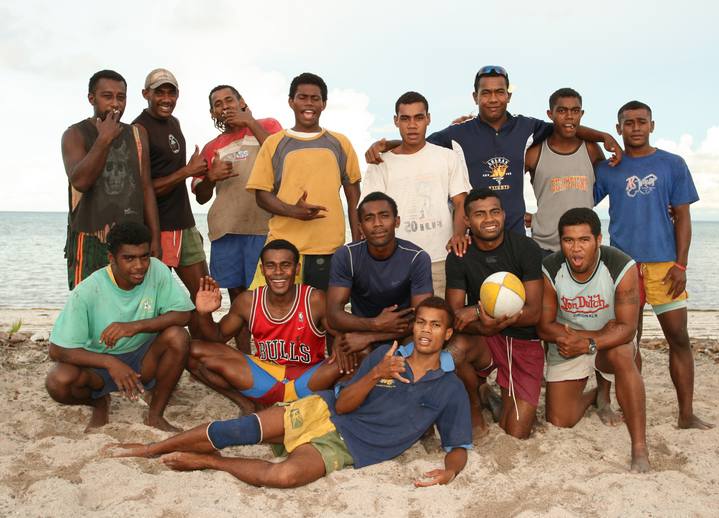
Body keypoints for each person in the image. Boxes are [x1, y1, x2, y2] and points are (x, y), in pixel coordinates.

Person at [107, 297, 472, 489]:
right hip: (323, 411)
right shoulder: (385, 356)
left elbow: (457, 447)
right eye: (421, 322)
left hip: (350, 447)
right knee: (241, 429)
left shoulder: (450, 388)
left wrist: (450, 473)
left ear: (448, 334)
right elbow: (344, 404)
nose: (426, 331)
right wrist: (376, 373)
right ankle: (151, 449)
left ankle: (209, 461)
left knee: (283, 478)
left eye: (435, 325)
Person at [365, 66, 622, 235]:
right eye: (485, 93)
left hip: (514, 234)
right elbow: (420, 142)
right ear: (475, 97)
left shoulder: (526, 127)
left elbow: (565, 126)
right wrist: (386, 145)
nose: (493, 99)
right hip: (474, 237)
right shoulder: (458, 133)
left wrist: (603, 137)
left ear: (508, 96)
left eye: (500, 92)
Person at [594, 101, 712, 430]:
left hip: (664, 266)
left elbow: (683, 217)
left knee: (679, 338)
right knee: (625, 340)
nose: (635, 127)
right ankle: (623, 406)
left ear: (652, 125)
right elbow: (581, 201)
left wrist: (681, 265)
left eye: (641, 121)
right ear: (618, 128)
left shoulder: (672, 164)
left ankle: (686, 414)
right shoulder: (609, 168)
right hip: (624, 266)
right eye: (628, 122)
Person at [46, 222, 193, 431]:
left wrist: (134, 326)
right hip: (98, 367)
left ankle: (155, 415)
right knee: (58, 381)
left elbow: (183, 314)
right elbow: (57, 350)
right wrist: (110, 362)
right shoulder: (87, 290)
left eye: (144, 257)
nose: (139, 266)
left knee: (178, 336)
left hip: (143, 359)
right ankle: (99, 402)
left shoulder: (157, 270)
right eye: (129, 258)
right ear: (111, 258)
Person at [538, 208, 650, 472]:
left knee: (623, 354)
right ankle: (595, 396)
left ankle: (639, 447)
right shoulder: (551, 267)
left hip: (608, 345)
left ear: (598, 239)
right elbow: (544, 326)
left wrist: (589, 342)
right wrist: (581, 339)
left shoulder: (621, 265)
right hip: (569, 344)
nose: (576, 248)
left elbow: (628, 329)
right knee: (560, 420)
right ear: (560, 241)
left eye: (584, 240)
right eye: (569, 240)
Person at [186, 240, 343, 415]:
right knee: (190, 350)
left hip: (308, 378)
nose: (278, 272)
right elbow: (217, 337)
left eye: (285, 265)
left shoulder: (315, 299)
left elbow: (342, 335)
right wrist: (204, 314)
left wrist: (340, 346)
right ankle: (246, 403)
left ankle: (330, 399)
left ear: (297, 269)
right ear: (262, 270)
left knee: (358, 354)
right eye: (270, 265)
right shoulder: (248, 301)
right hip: (264, 377)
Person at [246, 72, 361, 291]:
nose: (309, 103)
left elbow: (354, 200)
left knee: (323, 311)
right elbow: (261, 195)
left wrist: (356, 247)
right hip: (281, 248)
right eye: (302, 97)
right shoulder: (274, 143)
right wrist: (294, 211)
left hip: (328, 249)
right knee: (265, 307)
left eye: (315, 98)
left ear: (323, 104)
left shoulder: (340, 143)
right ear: (291, 102)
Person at [445, 189, 544, 439]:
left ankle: (492, 393)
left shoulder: (526, 248)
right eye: (480, 214)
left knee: (516, 431)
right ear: (467, 220)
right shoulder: (459, 255)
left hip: (522, 341)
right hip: (485, 340)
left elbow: (534, 313)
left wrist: (480, 310)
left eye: (494, 212)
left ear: (504, 214)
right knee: (452, 353)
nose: (489, 219)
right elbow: (455, 316)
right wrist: (484, 327)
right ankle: (474, 404)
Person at [193, 84, 283, 352]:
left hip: (264, 227)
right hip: (226, 229)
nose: (225, 106)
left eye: (229, 100)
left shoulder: (267, 125)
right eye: (218, 104)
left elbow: (281, 156)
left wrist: (250, 122)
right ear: (212, 112)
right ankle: (244, 354)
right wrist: (211, 177)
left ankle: (270, 353)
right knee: (237, 297)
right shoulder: (211, 147)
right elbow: (200, 196)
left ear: (241, 101)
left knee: (268, 295)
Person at [360, 91, 471, 296]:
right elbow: (368, 211)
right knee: (398, 315)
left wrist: (458, 234)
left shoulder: (447, 157)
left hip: (440, 258)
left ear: (428, 119)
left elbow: (461, 201)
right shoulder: (380, 163)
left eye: (418, 117)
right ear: (396, 121)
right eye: (405, 118)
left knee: (439, 315)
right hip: (396, 260)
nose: (412, 125)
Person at [61, 69, 160, 289]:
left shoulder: (137, 134)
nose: (115, 104)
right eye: (107, 96)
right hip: (89, 238)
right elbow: (81, 181)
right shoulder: (75, 134)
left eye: (121, 97)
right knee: (88, 300)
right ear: (92, 98)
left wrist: (155, 238)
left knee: (132, 301)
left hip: (132, 242)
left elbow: (146, 188)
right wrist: (104, 138)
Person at [132, 68, 209, 337]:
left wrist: (199, 171)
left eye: (171, 92)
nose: (166, 98)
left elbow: (173, 174)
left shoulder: (174, 122)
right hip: (158, 228)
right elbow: (143, 188)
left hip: (184, 223)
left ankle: (202, 351)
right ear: (146, 94)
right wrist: (187, 171)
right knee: (154, 303)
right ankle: (156, 350)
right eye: (159, 92)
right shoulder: (138, 129)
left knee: (203, 294)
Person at [327, 192, 434, 374]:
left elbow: (423, 319)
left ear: (397, 221)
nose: (377, 223)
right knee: (352, 358)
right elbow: (333, 315)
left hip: (404, 332)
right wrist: (374, 324)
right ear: (360, 227)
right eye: (369, 218)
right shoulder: (346, 255)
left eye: (384, 216)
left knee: (418, 350)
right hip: (361, 328)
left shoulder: (417, 258)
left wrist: (372, 335)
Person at [525, 88, 604, 255]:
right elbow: (508, 184)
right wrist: (519, 213)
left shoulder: (591, 149)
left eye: (575, 111)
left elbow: (608, 183)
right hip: (544, 246)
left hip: (583, 248)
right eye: (562, 111)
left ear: (581, 114)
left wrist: (588, 200)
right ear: (550, 114)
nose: (569, 116)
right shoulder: (534, 153)